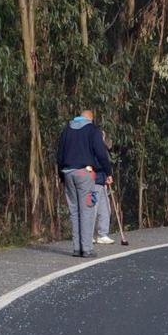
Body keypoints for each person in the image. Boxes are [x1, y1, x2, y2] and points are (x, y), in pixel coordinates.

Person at [55, 109, 111, 258]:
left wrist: (61, 175)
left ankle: (76, 248)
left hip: (68, 173)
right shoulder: (93, 130)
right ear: (90, 119)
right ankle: (86, 249)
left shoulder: (67, 130)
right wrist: (108, 172)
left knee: (74, 212)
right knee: (87, 210)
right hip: (85, 174)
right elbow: (100, 153)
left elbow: (59, 155)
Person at [92, 130, 115, 245]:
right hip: (93, 180)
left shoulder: (102, 147)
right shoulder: (92, 148)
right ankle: (89, 234)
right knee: (93, 208)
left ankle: (102, 234)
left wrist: (107, 175)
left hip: (102, 180)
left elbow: (106, 162)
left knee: (105, 209)